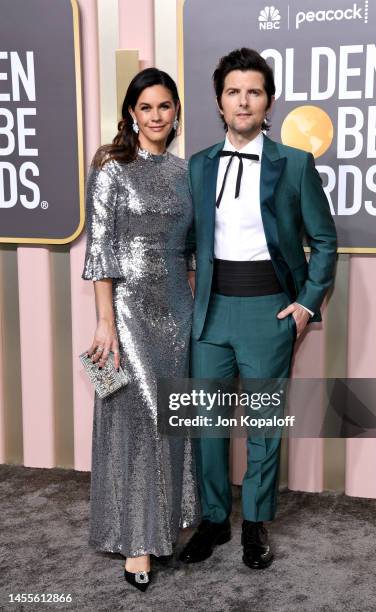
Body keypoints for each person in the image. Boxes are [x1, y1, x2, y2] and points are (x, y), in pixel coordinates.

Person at [179, 48, 337, 570]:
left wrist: (305, 307)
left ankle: (256, 523)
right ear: (219, 102)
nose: (242, 101)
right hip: (210, 312)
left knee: (265, 425)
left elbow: (325, 241)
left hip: (270, 311)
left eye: (253, 91)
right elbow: (181, 241)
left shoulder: (294, 164)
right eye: (232, 91)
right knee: (206, 421)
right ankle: (214, 520)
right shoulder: (198, 165)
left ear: (268, 101)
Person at [81, 68, 200, 592]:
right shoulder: (110, 168)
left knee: (174, 416)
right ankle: (137, 540)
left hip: (179, 304)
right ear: (132, 112)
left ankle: (166, 523)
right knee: (142, 416)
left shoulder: (184, 173)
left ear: (176, 112)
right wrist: (106, 322)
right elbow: (101, 250)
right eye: (146, 107)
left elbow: (194, 251)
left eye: (165, 106)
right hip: (128, 308)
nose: (156, 116)